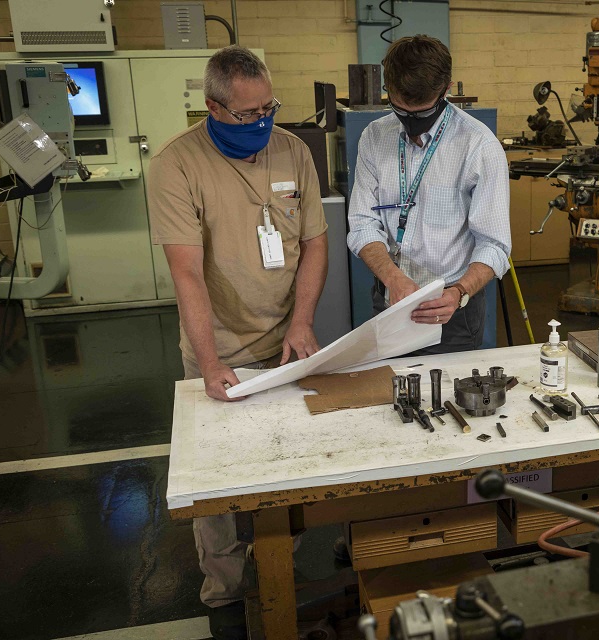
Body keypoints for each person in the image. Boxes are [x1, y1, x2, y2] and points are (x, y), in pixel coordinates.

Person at [147, 45, 328, 639]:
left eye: (269, 109)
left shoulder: (294, 151)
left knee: (287, 463)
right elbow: (187, 273)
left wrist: (301, 322)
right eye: (248, 114)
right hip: (217, 341)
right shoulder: (178, 166)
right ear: (213, 107)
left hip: (285, 339)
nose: (262, 124)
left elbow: (315, 245)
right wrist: (209, 360)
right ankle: (223, 591)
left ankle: (282, 565)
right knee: (219, 484)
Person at [347, 35, 511, 354]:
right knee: (391, 395)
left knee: (449, 398)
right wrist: (393, 278)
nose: (412, 124)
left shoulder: (479, 146)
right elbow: (363, 224)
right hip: (390, 301)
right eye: (401, 111)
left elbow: (495, 244)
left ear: (446, 89)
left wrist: (459, 292)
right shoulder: (373, 137)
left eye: (423, 114)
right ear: (388, 88)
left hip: (454, 312)